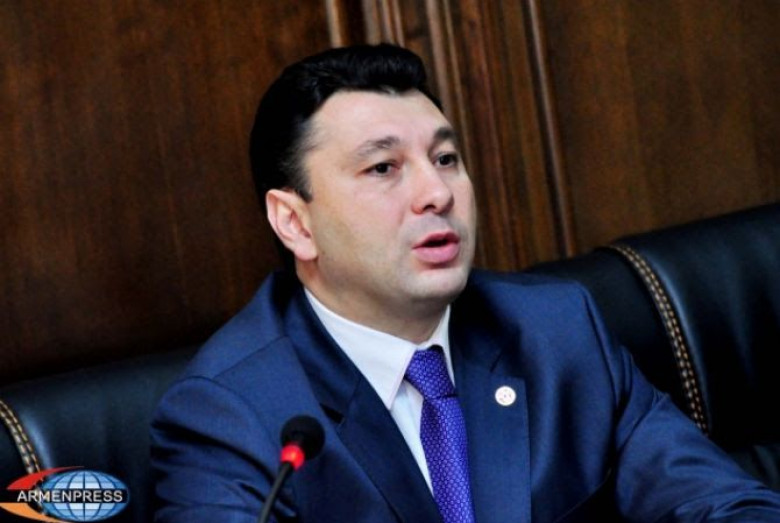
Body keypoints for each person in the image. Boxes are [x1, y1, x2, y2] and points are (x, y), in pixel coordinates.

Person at [150, 44, 780, 522]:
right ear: (295, 222)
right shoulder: (230, 419)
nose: (437, 192)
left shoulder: (558, 331)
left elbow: (724, 504)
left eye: (446, 158)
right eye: (383, 167)